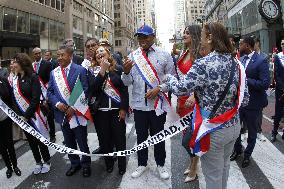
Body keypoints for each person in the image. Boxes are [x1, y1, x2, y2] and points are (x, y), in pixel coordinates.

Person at [148, 22, 249, 189]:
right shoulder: (237, 64)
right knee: (224, 168)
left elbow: (181, 89)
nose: (200, 40)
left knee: (213, 175)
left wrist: (169, 78)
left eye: (202, 36)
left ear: (209, 38)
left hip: (212, 129)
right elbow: (245, 99)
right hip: (233, 126)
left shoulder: (204, 63)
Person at [122, 24, 175, 180]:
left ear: (153, 37)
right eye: (139, 36)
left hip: (157, 106)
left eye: (145, 36)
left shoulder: (164, 55)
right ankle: (142, 164)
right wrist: (125, 72)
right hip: (139, 106)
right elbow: (127, 82)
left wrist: (159, 88)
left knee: (158, 136)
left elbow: (172, 79)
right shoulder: (133, 56)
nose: (142, 40)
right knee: (141, 137)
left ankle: (160, 164)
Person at [47, 46, 91, 177]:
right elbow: (50, 91)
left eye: (62, 55)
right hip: (62, 114)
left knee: (82, 141)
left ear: (70, 56)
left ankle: (86, 165)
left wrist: (74, 107)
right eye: (58, 55)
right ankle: (74, 164)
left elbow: (85, 89)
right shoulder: (54, 73)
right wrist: (57, 103)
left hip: (77, 113)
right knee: (69, 141)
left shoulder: (80, 70)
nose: (59, 58)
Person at [230, 36, 270, 168]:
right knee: (236, 129)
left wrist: (246, 80)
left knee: (252, 132)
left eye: (240, 44)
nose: (238, 46)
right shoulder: (240, 60)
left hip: (254, 104)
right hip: (240, 103)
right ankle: (237, 150)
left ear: (247, 45)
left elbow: (265, 84)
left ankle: (247, 155)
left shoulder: (261, 60)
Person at [89, 46, 129, 175]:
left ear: (108, 54)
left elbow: (124, 91)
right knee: (105, 140)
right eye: (97, 52)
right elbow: (93, 89)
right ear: (95, 58)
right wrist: (102, 71)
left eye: (102, 51)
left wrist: (123, 108)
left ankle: (122, 165)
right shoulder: (91, 71)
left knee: (120, 140)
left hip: (117, 112)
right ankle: (109, 164)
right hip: (101, 113)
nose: (99, 53)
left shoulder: (118, 69)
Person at [12, 53, 51, 175]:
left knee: (40, 139)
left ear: (22, 63)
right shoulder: (15, 79)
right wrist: (19, 115)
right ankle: (38, 162)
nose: (13, 65)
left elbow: (35, 99)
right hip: (23, 117)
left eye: (15, 62)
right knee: (31, 141)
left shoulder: (33, 77)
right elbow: (14, 99)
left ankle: (47, 161)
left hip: (35, 115)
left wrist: (26, 115)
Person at [174, 25, 201, 183]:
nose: (184, 35)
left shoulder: (198, 54)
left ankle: (194, 167)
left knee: (191, 137)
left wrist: (193, 95)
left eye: (188, 33)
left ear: (195, 36)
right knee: (186, 134)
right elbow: (180, 80)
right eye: (183, 32)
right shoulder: (183, 53)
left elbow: (201, 78)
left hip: (194, 101)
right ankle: (192, 163)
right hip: (183, 100)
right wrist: (178, 99)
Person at [32, 47, 56, 143]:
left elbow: (50, 79)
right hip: (36, 94)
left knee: (49, 115)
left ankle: (52, 135)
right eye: (35, 54)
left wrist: (47, 94)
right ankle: (43, 133)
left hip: (46, 93)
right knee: (40, 115)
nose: (37, 55)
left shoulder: (47, 64)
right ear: (33, 55)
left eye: (39, 53)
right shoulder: (32, 65)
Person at [0, 76, 22, 178]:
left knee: (9, 143)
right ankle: (8, 168)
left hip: (5, 118)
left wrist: (14, 112)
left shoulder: (3, 80)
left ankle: (15, 166)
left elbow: (11, 96)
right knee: (2, 146)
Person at [271, 39, 284, 142]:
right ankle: (274, 132)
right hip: (281, 90)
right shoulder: (277, 57)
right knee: (278, 112)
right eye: (282, 44)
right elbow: (276, 74)